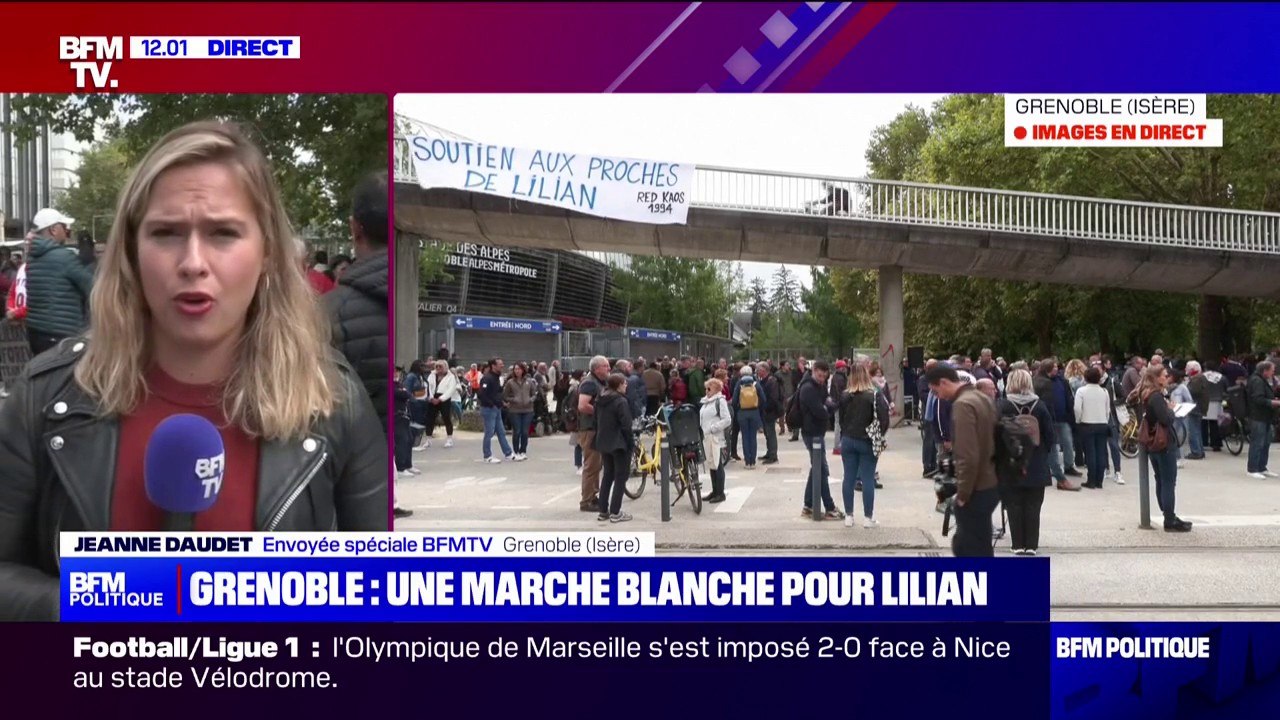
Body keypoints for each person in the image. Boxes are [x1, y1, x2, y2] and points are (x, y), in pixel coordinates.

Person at [0, 122, 388, 619]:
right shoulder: (44, 397)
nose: (193, 262)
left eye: (223, 233)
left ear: (267, 253)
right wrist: (89, 607)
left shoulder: (333, 400)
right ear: (132, 252)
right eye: (165, 233)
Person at [927, 363, 999, 557]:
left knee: (967, 546)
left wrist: (963, 493)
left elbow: (967, 454)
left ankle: (973, 584)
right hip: (992, 480)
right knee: (981, 542)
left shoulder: (962, 405)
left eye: (936, 391)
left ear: (943, 382)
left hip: (977, 486)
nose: (938, 397)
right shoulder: (981, 398)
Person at [997, 369, 1054, 556]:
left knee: (1013, 505)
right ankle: (1031, 545)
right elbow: (1049, 435)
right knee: (1033, 505)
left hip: (1010, 463)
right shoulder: (1040, 406)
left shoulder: (1003, 405)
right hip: (1036, 462)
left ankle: (1017, 544)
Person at [24, 207, 94, 356]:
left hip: (36, 332)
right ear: (54, 230)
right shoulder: (64, 257)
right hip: (62, 335)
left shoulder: (32, 259)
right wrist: (89, 262)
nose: (67, 230)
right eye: (64, 226)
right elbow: (92, 287)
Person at [1136, 366, 1192, 531]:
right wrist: (1172, 410)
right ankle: (1169, 518)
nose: (1168, 377)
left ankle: (1168, 514)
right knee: (1168, 481)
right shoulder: (1155, 397)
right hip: (1163, 442)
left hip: (1153, 442)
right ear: (1157, 378)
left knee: (1161, 479)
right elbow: (1166, 419)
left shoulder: (1146, 394)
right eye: (1165, 375)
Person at [838, 363, 890, 529]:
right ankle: (868, 518)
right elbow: (884, 418)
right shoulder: (874, 395)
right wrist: (879, 435)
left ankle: (849, 516)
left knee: (849, 478)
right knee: (867, 479)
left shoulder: (845, 395)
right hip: (867, 440)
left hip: (848, 439)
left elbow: (841, 420)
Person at [799, 361, 842, 520]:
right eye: (819, 375)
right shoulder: (808, 388)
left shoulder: (819, 386)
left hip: (817, 432)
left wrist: (827, 408)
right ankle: (828, 506)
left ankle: (808, 505)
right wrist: (826, 408)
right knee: (821, 469)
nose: (822, 379)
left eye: (824, 376)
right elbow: (821, 411)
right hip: (812, 433)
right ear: (814, 371)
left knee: (817, 468)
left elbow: (828, 405)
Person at [591, 373, 634, 523]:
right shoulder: (620, 401)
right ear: (619, 385)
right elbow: (626, 425)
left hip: (604, 441)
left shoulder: (600, 399)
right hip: (619, 442)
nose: (626, 385)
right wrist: (630, 442)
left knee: (608, 475)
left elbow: (595, 420)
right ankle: (615, 512)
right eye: (624, 383)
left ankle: (603, 510)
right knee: (620, 477)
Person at [1034, 359, 1082, 490]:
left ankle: (1067, 468)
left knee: (1064, 443)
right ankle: (1060, 478)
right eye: (1053, 367)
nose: (1056, 369)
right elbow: (1047, 405)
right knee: (1053, 449)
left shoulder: (1059, 381)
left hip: (1059, 418)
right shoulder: (1044, 383)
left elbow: (1067, 398)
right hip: (1050, 420)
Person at [576, 356, 610, 511]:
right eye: (606, 366)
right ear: (597, 368)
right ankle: (587, 500)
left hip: (595, 428)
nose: (609, 369)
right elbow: (583, 406)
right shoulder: (589, 383)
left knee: (596, 465)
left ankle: (592, 496)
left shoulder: (598, 382)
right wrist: (601, 412)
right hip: (589, 429)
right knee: (591, 465)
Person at [1074, 366, 1112, 489]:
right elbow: (1108, 409)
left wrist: (1078, 420)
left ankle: (1091, 480)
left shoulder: (1081, 391)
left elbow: (1077, 408)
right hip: (1102, 423)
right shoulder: (1104, 392)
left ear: (1085, 378)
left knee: (1090, 453)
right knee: (1101, 452)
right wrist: (1105, 420)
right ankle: (1099, 481)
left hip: (1087, 423)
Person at [699, 377, 733, 504]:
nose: (707, 391)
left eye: (709, 388)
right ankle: (715, 491)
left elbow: (727, 419)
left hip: (716, 438)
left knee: (718, 465)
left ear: (716, 389)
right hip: (707, 437)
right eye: (706, 388)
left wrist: (714, 428)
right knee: (712, 465)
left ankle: (720, 492)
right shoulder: (707, 402)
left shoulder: (720, 401)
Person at [1246, 360, 1280, 480]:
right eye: (1272, 370)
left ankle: (1262, 467)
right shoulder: (1257, 381)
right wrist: (1273, 402)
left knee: (1265, 443)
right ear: (1265, 370)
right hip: (1258, 416)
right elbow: (1257, 399)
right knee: (1257, 442)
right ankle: (1252, 468)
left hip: (1265, 416)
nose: (1273, 372)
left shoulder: (1262, 380)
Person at [478, 357, 514, 463]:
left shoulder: (497, 378)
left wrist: (501, 403)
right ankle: (487, 456)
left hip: (497, 409)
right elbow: (482, 394)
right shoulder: (487, 378)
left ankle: (508, 453)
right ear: (493, 366)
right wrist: (492, 404)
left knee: (501, 432)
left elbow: (497, 393)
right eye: (500, 364)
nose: (502, 365)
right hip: (489, 409)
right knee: (489, 432)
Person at [503, 362, 539, 461]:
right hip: (515, 410)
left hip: (528, 410)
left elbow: (534, 393)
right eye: (515, 369)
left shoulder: (529, 381)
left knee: (524, 432)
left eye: (519, 369)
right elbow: (505, 396)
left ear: (523, 370)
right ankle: (516, 451)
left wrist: (531, 400)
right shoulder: (510, 382)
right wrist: (513, 399)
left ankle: (523, 451)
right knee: (517, 431)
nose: (517, 371)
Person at [1189, 361, 1227, 453]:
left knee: (1203, 423)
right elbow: (1226, 388)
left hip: (1205, 401)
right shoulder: (1221, 377)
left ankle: (1204, 442)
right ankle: (1216, 444)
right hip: (1218, 401)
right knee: (1215, 424)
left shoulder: (1202, 377)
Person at [732, 365, 764, 469]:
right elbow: (763, 398)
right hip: (754, 412)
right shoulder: (755, 384)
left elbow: (734, 401)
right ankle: (753, 461)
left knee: (745, 437)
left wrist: (738, 408)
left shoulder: (739, 384)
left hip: (742, 413)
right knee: (753, 437)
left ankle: (747, 462)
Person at [392, 368, 419, 481]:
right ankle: (400, 467)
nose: (396, 373)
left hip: (405, 416)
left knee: (409, 439)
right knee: (402, 441)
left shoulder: (398, 383)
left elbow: (407, 393)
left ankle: (408, 465)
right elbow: (402, 394)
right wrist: (405, 392)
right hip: (396, 415)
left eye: (397, 372)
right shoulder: (392, 385)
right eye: (394, 372)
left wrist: (405, 392)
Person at [425, 360, 458, 448]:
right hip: (432, 398)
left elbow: (451, 390)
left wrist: (440, 399)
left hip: (444, 398)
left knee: (446, 418)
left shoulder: (451, 376)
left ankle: (449, 439)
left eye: (441, 367)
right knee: (430, 418)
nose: (438, 368)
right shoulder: (432, 375)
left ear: (445, 367)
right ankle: (428, 439)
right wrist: (431, 397)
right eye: (437, 366)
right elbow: (428, 386)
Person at [757, 362, 782, 464]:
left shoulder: (772, 381)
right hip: (766, 410)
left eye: (759, 370)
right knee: (768, 433)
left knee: (770, 433)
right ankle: (769, 452)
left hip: (770, 411)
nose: (758, 372)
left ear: (764, 370)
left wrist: (766, 407)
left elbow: (773, 398)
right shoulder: (764, 381)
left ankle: (773, 455)